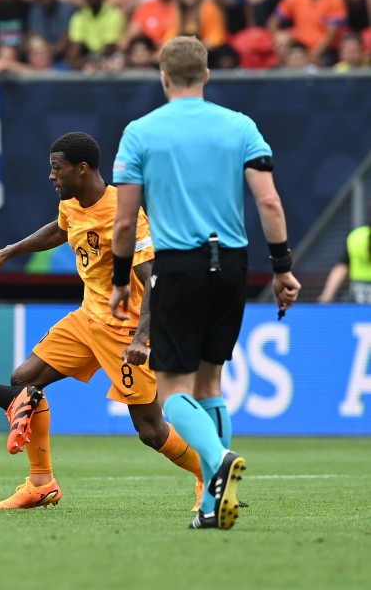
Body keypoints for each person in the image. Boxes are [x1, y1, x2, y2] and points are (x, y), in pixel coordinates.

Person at [109, 36, 301, 530]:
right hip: (232, 265)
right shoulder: (241, 127)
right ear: (207, 76)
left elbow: (125, 222)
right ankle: (213, 506)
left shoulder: (140, 132)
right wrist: (282, 269)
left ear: (164, 77)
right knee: (210, 382)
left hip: (178, 265)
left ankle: (216, 460)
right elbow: (271, 203)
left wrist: (116, 280)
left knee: (172, 390)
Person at [0, 132, 203, 509]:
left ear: (82, 168)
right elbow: (59, 230)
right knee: (24, 380)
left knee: (150, 430)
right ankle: (41, 482)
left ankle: (209, 474)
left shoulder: (124, 216)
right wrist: (8, 252)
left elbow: (154, 282)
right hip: (86, 319)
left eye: (55, 169)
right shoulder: (72, 203)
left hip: (125, 331)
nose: (50, 176)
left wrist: (142, 339)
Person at [318, 208, 371, 303]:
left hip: (358, 296)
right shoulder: (357, 236)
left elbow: (342, 268)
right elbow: (342, 268)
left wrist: (326, 296)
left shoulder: (356, 236)